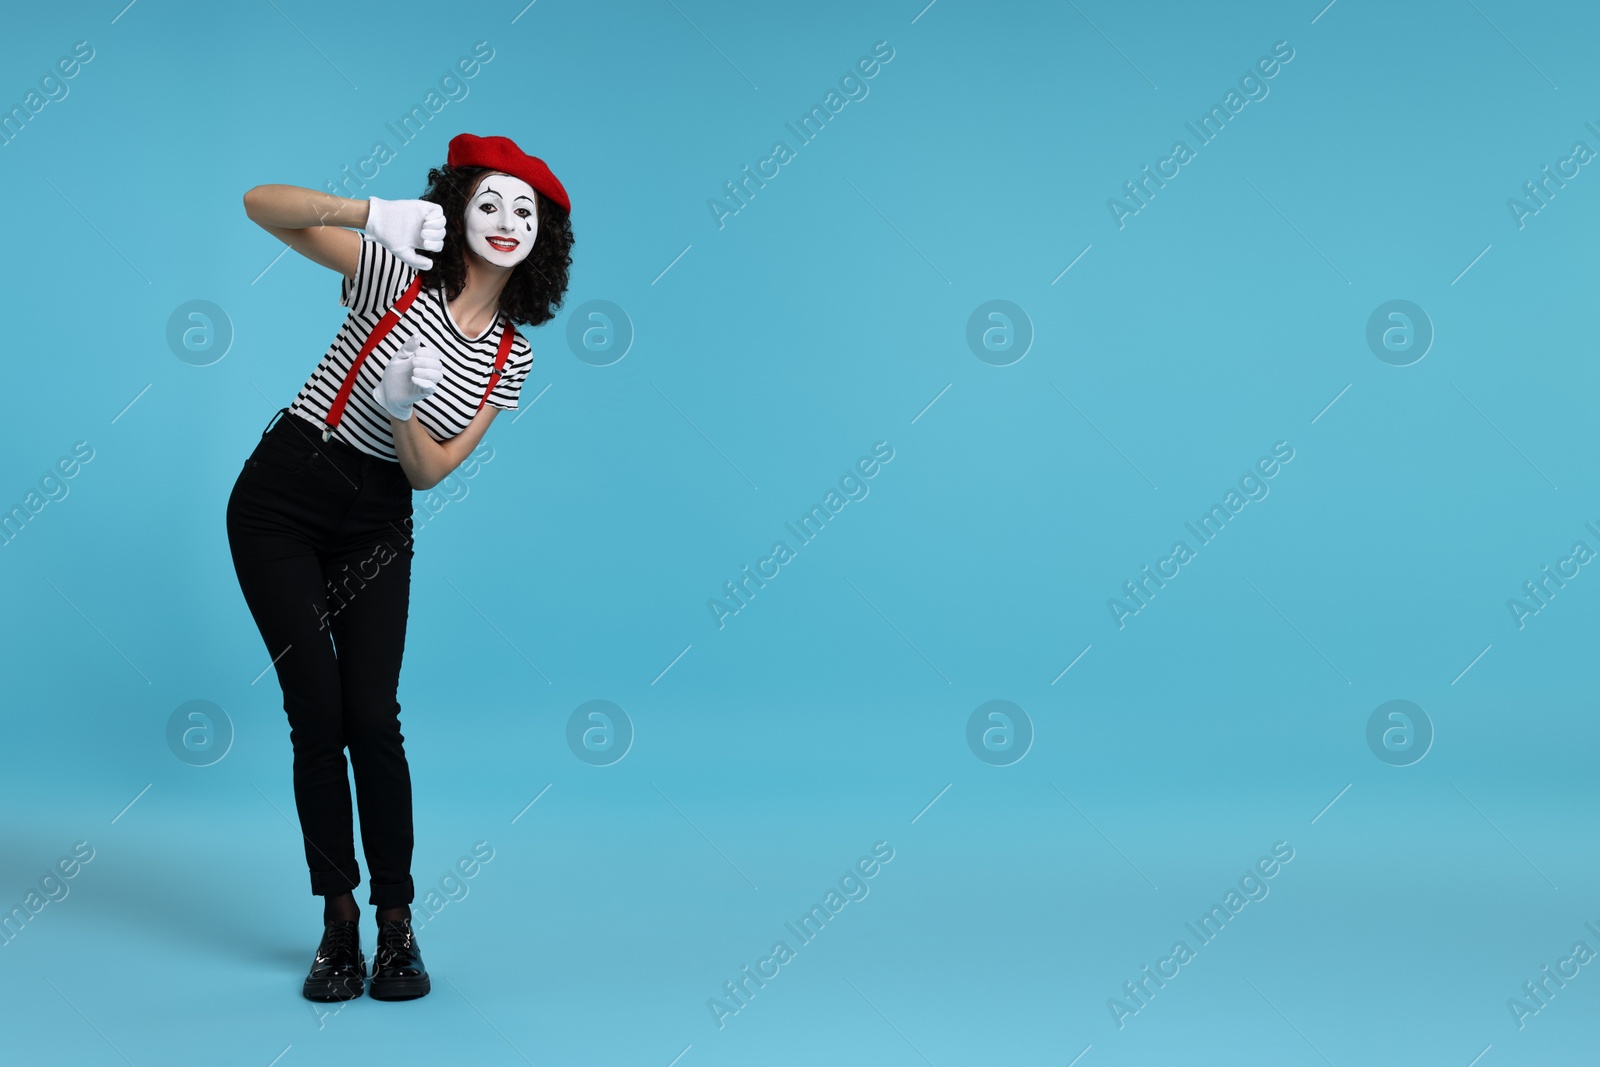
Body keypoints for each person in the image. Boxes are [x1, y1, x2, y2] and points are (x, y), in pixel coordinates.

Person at [227, 133, 573, 1002]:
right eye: (489, 201)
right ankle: (337, 920)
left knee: (372, 716)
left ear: (543, 240)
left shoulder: (512, 355)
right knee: (318, 709)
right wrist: (370, 215)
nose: (505, 221)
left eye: (524, 210)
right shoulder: (394, 272)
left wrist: (404, 408)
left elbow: (426, 469)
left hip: (379, 514)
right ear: (456, 207)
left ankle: (396, 925)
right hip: (283, 494)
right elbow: (260, 204)